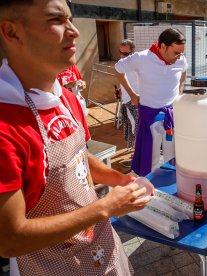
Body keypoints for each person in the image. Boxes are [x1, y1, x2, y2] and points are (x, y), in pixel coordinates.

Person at [0, 1, 153, 275]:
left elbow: (77, 157)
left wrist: (119, 179)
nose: (74, 32)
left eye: (71, 19)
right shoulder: (6, 126)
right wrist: (105, 207)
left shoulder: (66, 98)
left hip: (103, 246)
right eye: (55, 20)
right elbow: (10, 240)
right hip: (53, 265)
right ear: (11, 32)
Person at [115, 28, 187, 176]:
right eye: (176, 53)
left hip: (171, 115)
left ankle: (170, 187)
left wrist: (179, 92)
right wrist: (132, 95)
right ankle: (151, 191)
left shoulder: (181, 60)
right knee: (151, 159)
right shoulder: (142, 58)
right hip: (149, 116)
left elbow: (184, 71)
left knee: (172, 156)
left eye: (181, 52)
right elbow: (118, 69)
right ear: (162, 46)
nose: (179, 57)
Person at [117, 39, 139, 153]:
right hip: (127, 100)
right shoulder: (122, 63)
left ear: (132, 52)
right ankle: (136, 153)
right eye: (120, 52)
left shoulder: (137, 63)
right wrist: (121, 90)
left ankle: (138, 155)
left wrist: (134, 96)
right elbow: (123, 79)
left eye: (125, 53)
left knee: (137, 127)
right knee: (132, 126)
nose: (122, 56)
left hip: (134, 100)